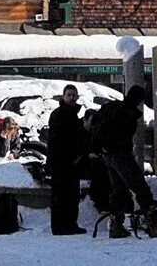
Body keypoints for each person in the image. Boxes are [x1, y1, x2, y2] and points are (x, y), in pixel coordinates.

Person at [92, 85, 157, 239]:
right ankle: (154, 222)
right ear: (139, 100)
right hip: (122, 155)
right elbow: (123, 137)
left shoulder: (112, 107)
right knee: (140, 187)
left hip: (108, 156)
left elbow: (95, 123)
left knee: (118, 189)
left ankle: (116, 225)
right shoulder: (128, 114)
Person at [47, 84, 88, 236]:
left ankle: (70, 224)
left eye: (73, 95)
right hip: (62, 162)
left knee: (71, 195)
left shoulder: (72, 115)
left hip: (71, 163)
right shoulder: (59, 115)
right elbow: (57, 141)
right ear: (63, 96)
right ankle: (61, 226)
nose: (71, 97)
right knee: (61, 195)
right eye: (69, 95)